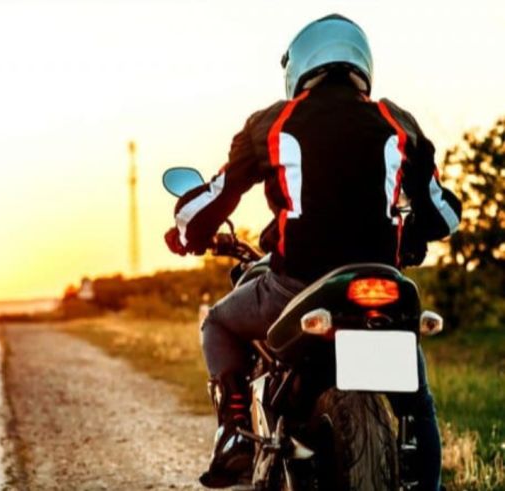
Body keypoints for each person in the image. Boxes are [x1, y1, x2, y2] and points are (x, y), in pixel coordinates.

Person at [164, 14, 461, 490]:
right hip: (384, 283)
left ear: (299, 66)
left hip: (293, 286)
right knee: (417, 397)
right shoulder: (396, 121)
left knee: (217, 323)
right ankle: (429, 484)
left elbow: (212, 198)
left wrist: (185, 233)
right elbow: (443, 215)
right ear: (361, 63)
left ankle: (236, 436)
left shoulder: (273, 122)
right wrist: (412, 239)